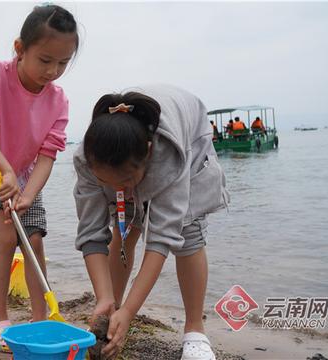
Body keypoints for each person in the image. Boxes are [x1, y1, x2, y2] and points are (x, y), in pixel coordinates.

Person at [73, 88, 229, 360]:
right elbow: (92, 235)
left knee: (187, 232)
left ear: (147, 152)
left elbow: (161, 239)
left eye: (125, 182)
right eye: (107, 183)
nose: (117, 189)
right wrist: (103, 297)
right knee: (125, 226)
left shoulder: (169, 155)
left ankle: (195, 330)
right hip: (127, 155)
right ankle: (112, 309)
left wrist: (132, 312)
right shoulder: (88, 160)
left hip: (187, 138)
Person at [0, 4, 78, 353]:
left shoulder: (58, 100)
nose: (53, 71)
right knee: (6, 236)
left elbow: (47, 156)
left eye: (62, 63)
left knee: (34, 240)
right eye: (45, 60)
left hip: (28, 172)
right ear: (20, 49)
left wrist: (28, 193)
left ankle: (40, 318)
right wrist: (5, 168)